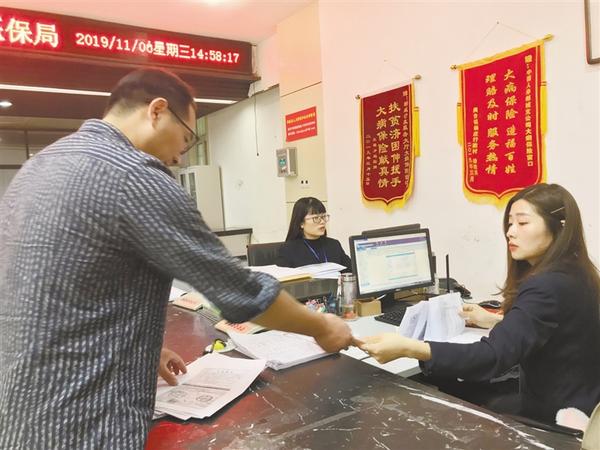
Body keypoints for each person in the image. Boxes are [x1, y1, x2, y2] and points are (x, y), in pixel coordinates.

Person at [0, 68, 353, 449]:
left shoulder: (42, 165)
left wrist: (142, 349)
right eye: (185, 138)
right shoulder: (135, 174)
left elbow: (55, 289)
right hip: (83, 422)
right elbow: (240, 293)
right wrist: (321, 326)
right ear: (157, 110)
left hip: (21, 410)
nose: (178, 156)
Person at [358, 183, 600, 423]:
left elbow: (492, 356)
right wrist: (495, 320)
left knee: (442, 387)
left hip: (557, 415)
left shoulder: (546, 286)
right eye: (510, 223)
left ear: (559, 227)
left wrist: (409, 347)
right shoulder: (579, 271)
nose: (510, 232)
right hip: (581, 401)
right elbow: (556, 329)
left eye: (523, 223)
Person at [275, 197, 352, 270]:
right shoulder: (288, 250)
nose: (322, 221)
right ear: (301, 223)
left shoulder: (334, 245)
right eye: (316, 218)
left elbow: (352, 271)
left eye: (323, 217)